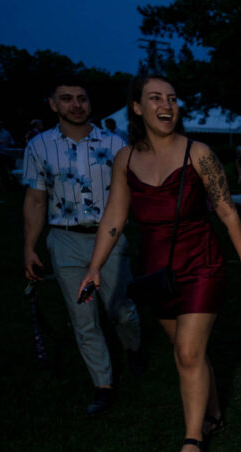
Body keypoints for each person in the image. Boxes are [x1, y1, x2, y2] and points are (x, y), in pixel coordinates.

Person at [78, 73, 241, 452]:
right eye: (155, 98)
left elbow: (226, 210)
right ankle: (213, 414)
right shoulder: (125, 159)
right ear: (137, 107)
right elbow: (114, 216)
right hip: (156, 270)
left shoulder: (198, 153)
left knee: (187, 352)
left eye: (171, 98)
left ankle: (193, 439)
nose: (166, 105)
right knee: (189, 352)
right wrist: (95, 267)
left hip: (201, 262)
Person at [22, 75, 145, 416]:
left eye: (82, 98)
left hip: (110, 238)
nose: (76, 105)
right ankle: (102, 385)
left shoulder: (115, 142)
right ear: (53, 104)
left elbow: (134, 191)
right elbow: (35, 200)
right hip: (65, 240)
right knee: (83, 317)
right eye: (67, 98)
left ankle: (134, 348)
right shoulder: (39, 146)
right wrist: (29, 247)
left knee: (121, 311)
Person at [0, 114, 16, 190]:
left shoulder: (6, 132)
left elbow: (11, 140)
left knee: (8, 169)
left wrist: (11, 144)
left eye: (0, 124)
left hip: (6, 152)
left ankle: (10, 184)